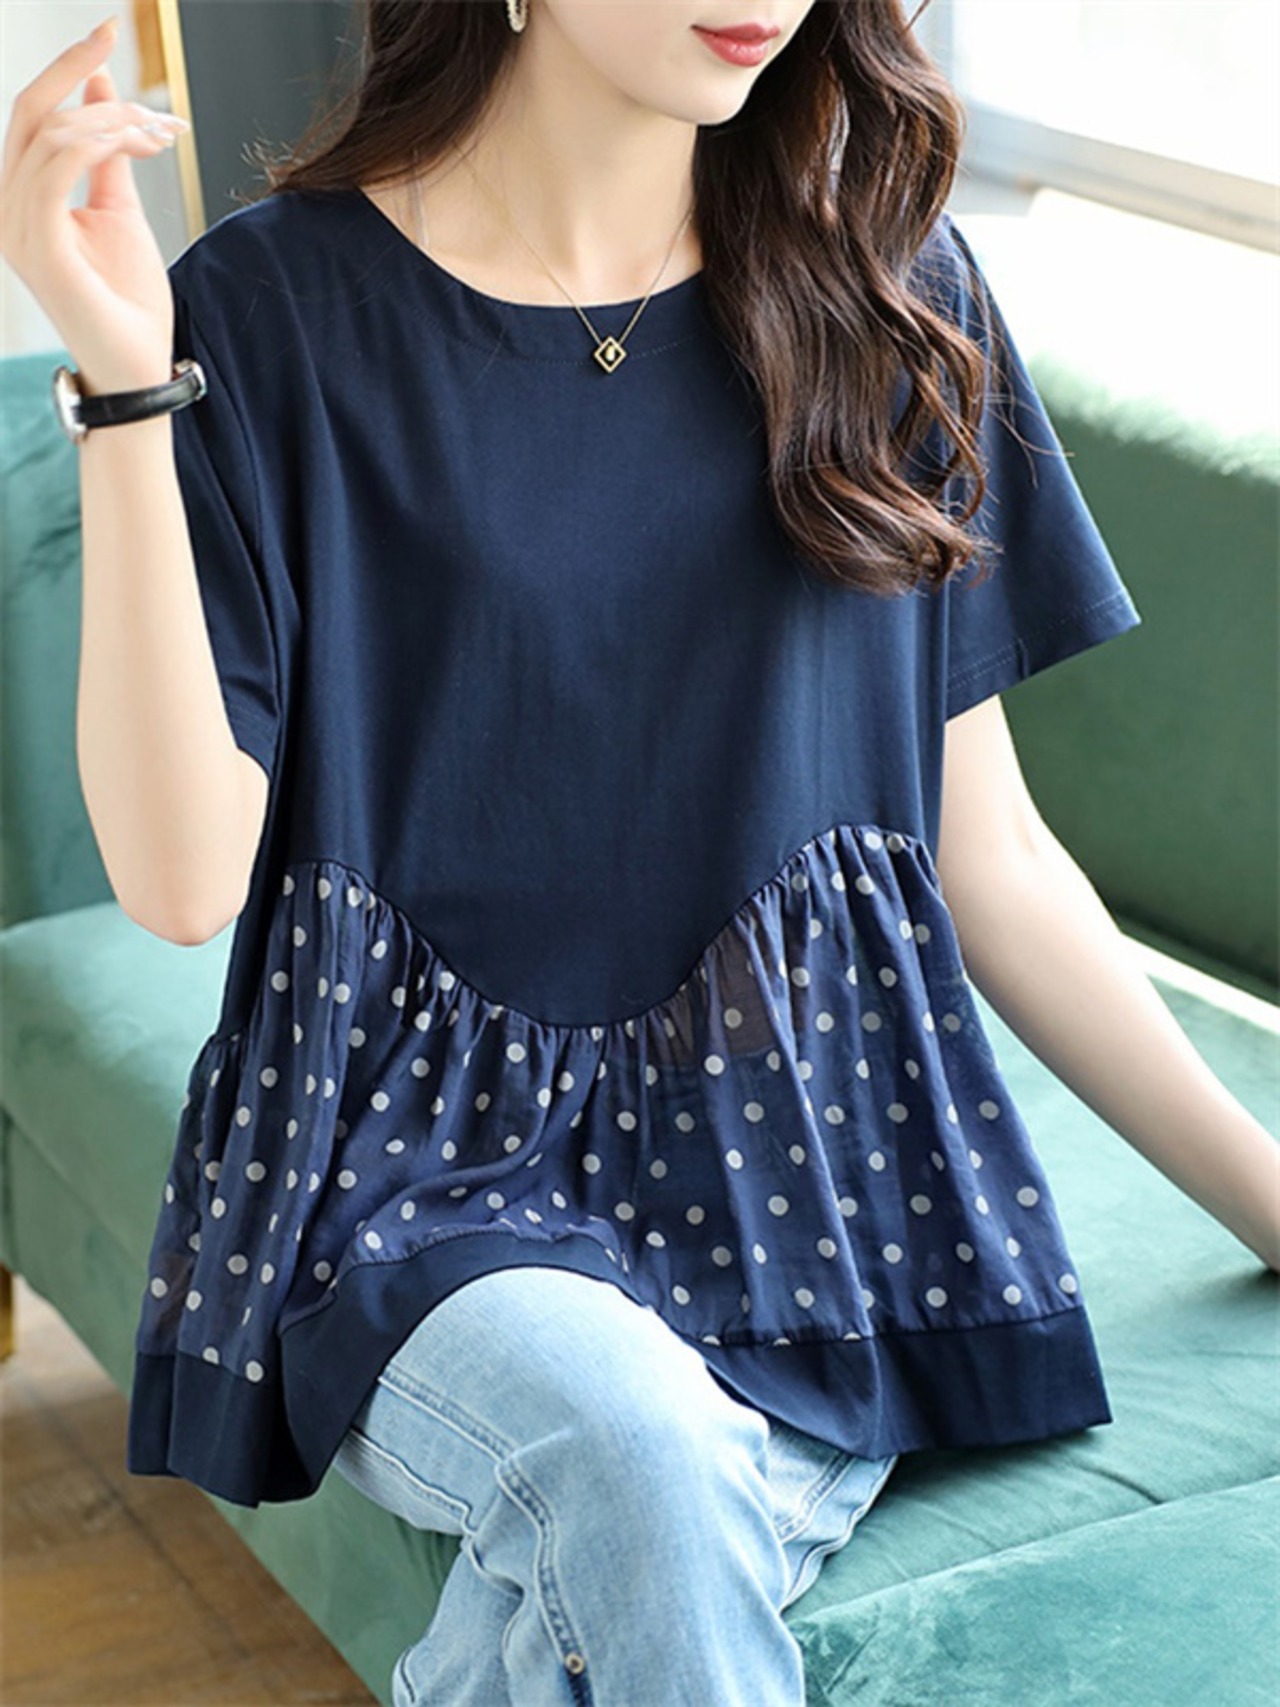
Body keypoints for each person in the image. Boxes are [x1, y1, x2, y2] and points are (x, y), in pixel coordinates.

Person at [4, 2, 1277, 1702]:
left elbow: (989, 856)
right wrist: (120, 383)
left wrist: (1270, 1196)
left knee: (630, 1525)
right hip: (413, 1184)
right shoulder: (264, 312)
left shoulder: (885, 290)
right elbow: (180, 883)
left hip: (806, 1176)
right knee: (631, 1443)